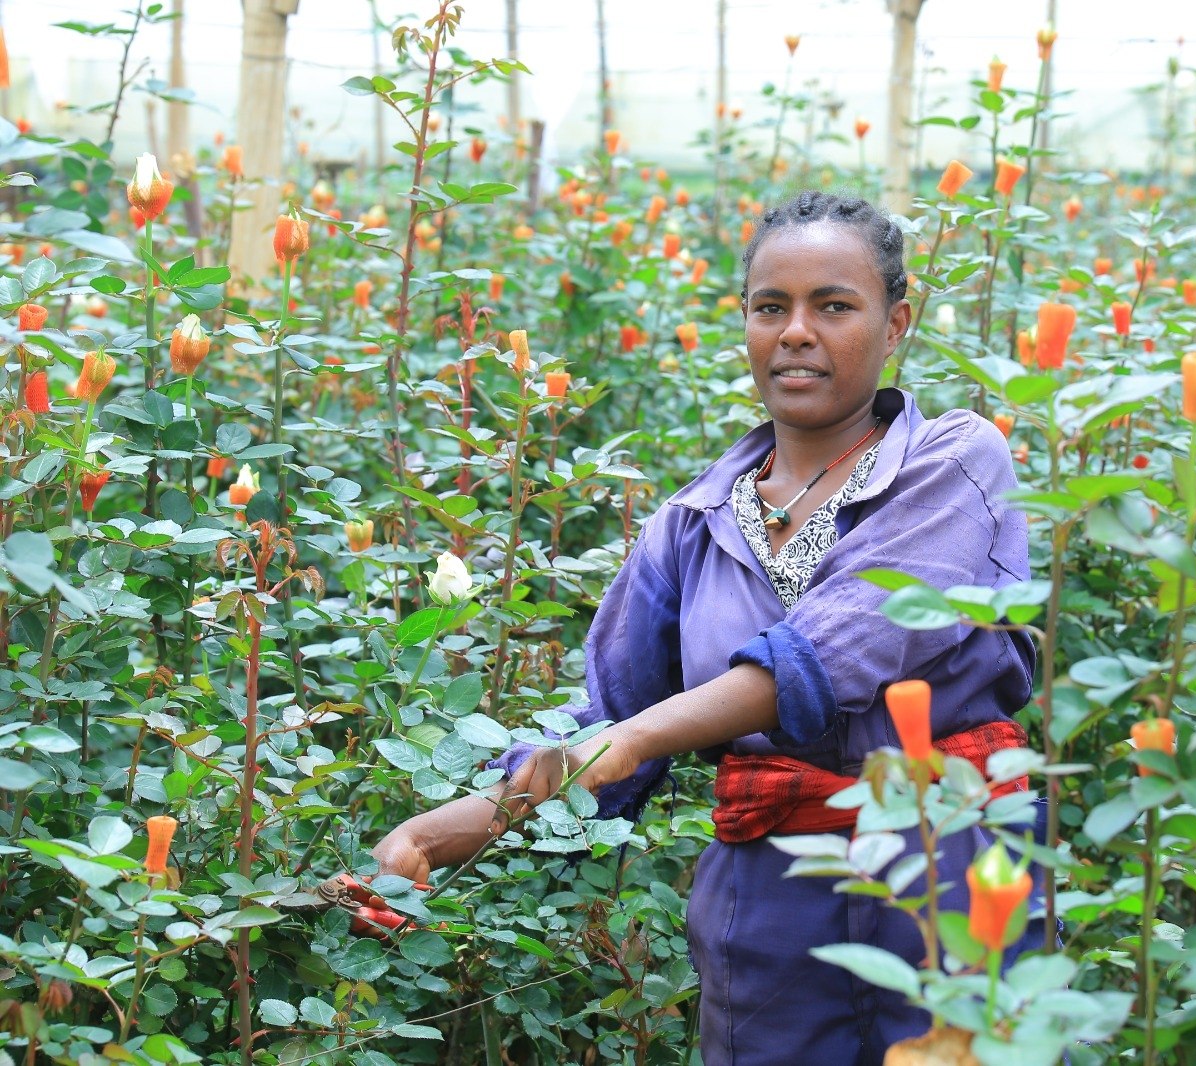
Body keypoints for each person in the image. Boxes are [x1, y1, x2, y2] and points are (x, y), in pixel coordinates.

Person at [370, 190, 1039, 1064]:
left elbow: (835, 645)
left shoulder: (956, 462)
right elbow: (609, 722)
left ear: (896, 321)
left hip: (947, 880)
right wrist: (451, 824)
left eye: (834, 306)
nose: (796, 331)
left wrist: (631, 739)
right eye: (772, 308)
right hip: (765, 913)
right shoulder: (691, 523)